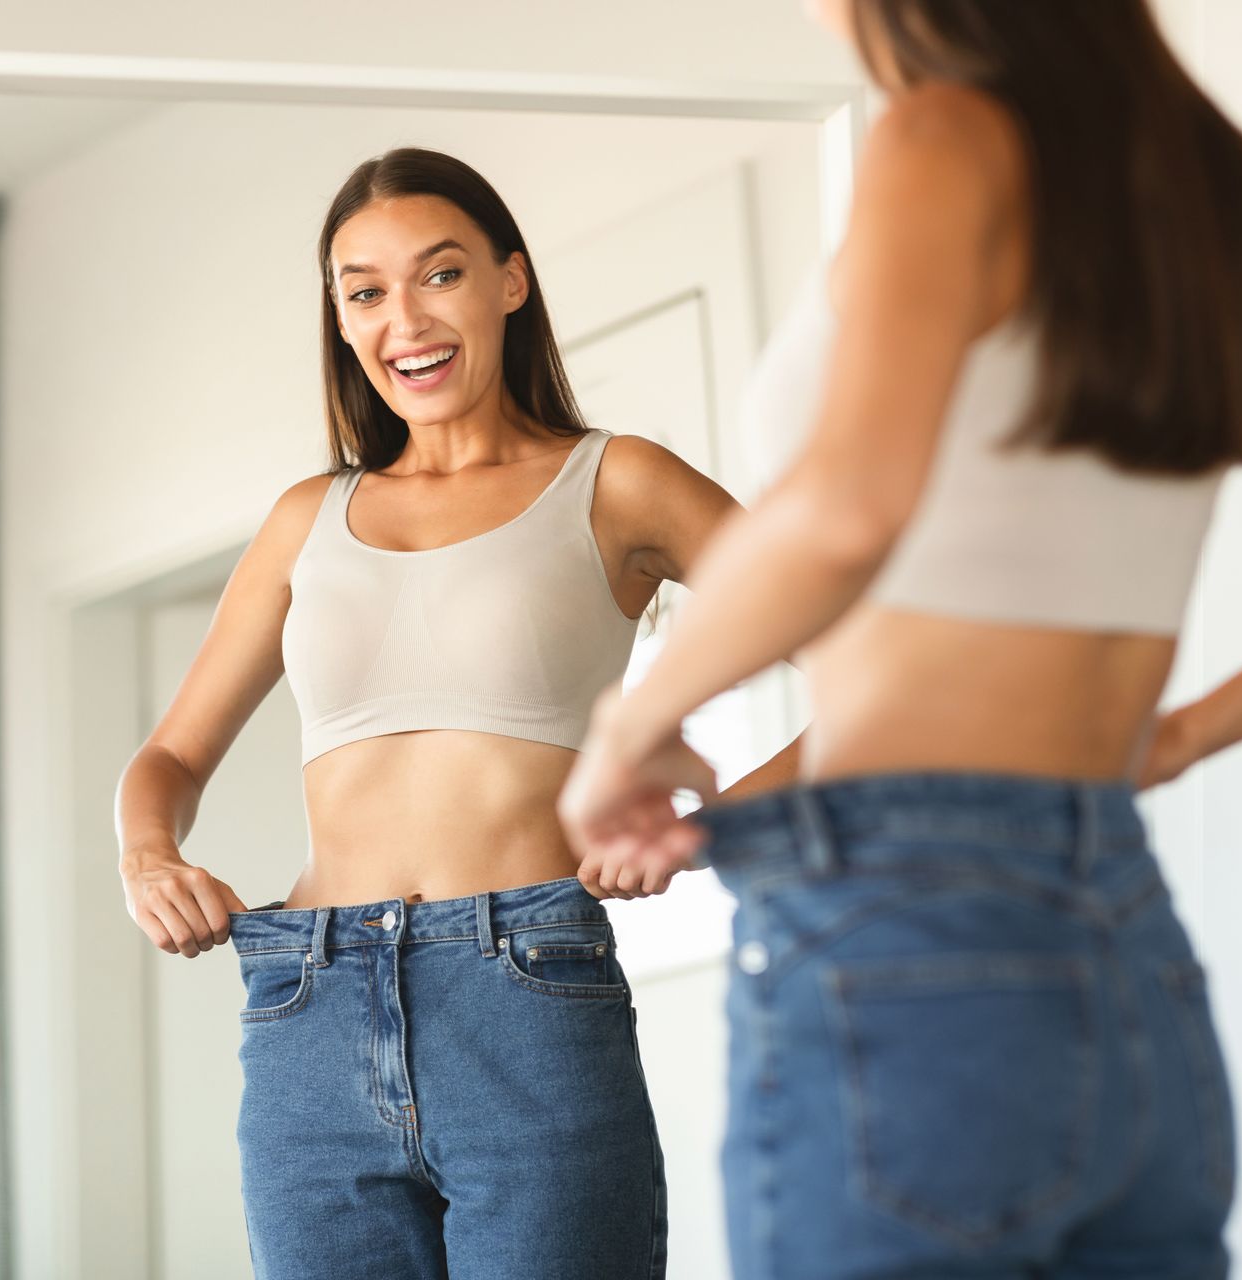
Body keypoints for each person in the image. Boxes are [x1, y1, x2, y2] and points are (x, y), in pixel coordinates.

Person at [557, 3, 1242, 1277]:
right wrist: (1192, 730)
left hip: (907, 919)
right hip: (1123, 925)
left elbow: (846, 510)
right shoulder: (1218, 198)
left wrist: (631, 727)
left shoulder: (946, 137)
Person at [113, 146, 800, 1279]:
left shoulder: (616, 480)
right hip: (307, 1002)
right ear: (341, 320)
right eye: (364, 290)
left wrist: (711, 823)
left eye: (439, 274)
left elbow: (885, 668)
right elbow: (174, 753)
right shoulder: (308, 517)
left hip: (525, 991)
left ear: (510, 282)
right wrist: (148, 854)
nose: (404, 319)